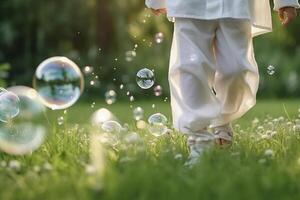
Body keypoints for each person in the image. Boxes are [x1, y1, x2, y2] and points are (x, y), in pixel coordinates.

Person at [145, 0, 299, 165]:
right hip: (189, 5)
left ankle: (222, 120)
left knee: (236, 69)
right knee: (190, 67)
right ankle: (199, 140)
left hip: (236, 5)